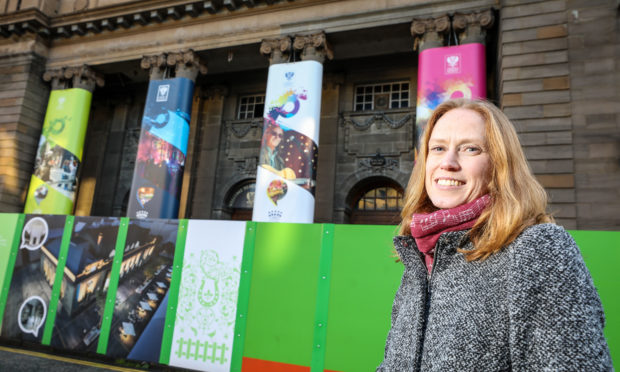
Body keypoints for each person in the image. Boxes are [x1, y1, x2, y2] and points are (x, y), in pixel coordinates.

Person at [377, 99, 612, 371]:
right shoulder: (420, 259)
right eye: (438, 148)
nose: (448, 162)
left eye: (470, 149)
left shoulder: (538, 249)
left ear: (499, 165)